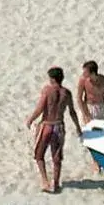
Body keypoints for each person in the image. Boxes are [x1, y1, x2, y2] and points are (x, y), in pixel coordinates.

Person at [25, 66, 83, 194]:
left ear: (52, 79)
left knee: (39, 154)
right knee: (57, 157)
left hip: (47, 125)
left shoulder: (47, 90)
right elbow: (72, 112)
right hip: (59, 126)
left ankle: (45, 181)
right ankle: (56, 183)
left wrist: (30, 119)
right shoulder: (66, 93)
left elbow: (40, 109)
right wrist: (78, 127)